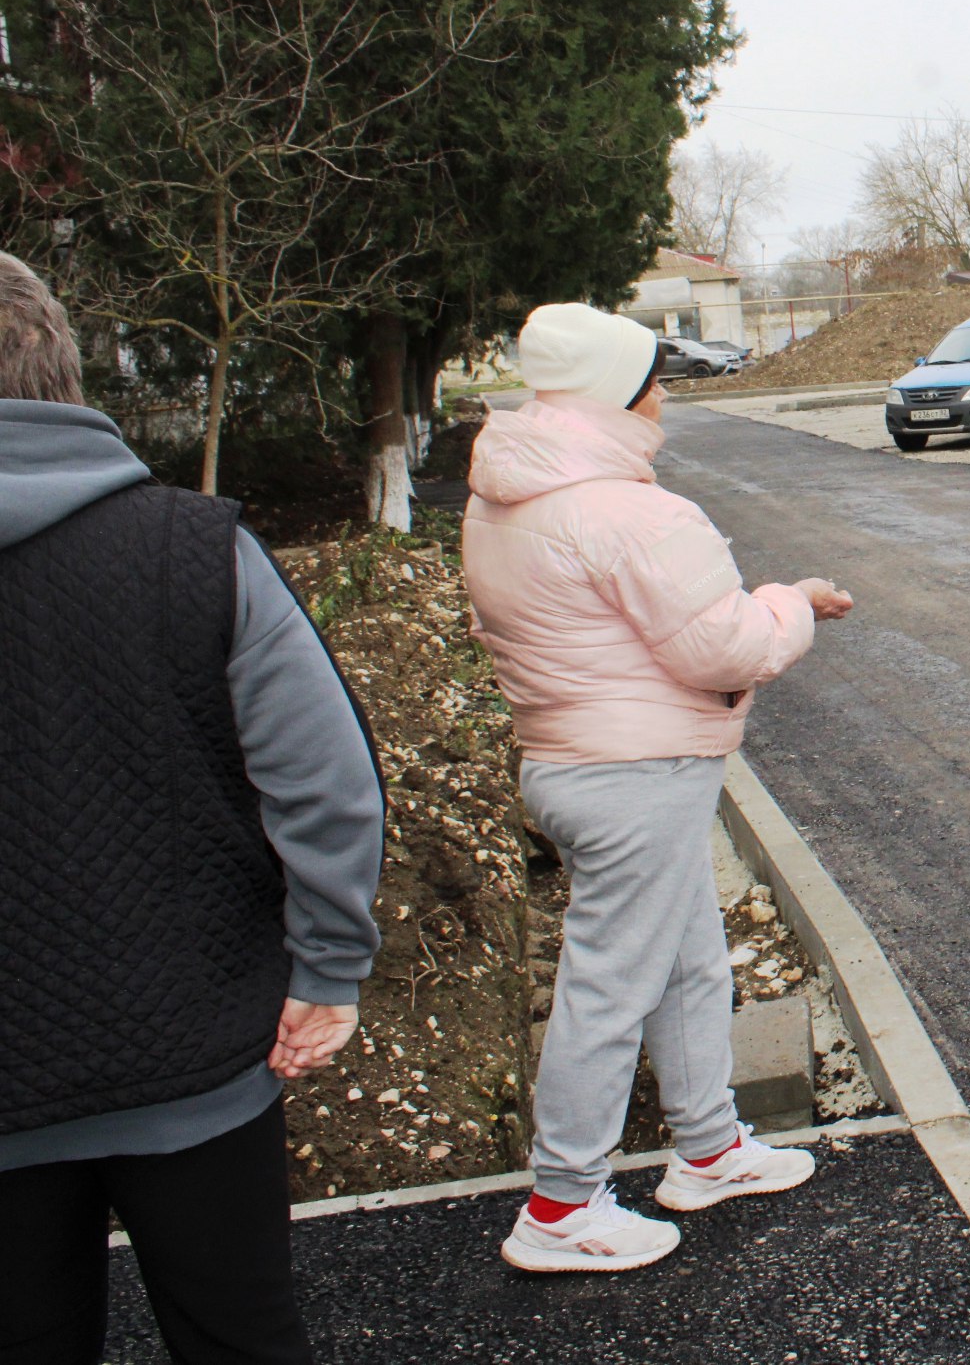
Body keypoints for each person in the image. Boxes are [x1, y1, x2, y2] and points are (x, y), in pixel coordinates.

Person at [0, 252, 385, 1364]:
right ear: (64, 364)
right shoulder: (194, 548)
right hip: (197, 1049)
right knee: (242, 1341)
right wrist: (326, 967)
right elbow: (324, 780)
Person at [463, 302, 854, 1273]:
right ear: (623, 392)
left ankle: (710, 1146)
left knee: (687, 961)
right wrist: (789, 601)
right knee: (608, 985)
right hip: (637, 774)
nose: (667, 393)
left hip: (571, 758)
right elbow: (724, 643)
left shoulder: (502, 495)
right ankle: (561, 1204)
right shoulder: (631, 509)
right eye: (655, 377)